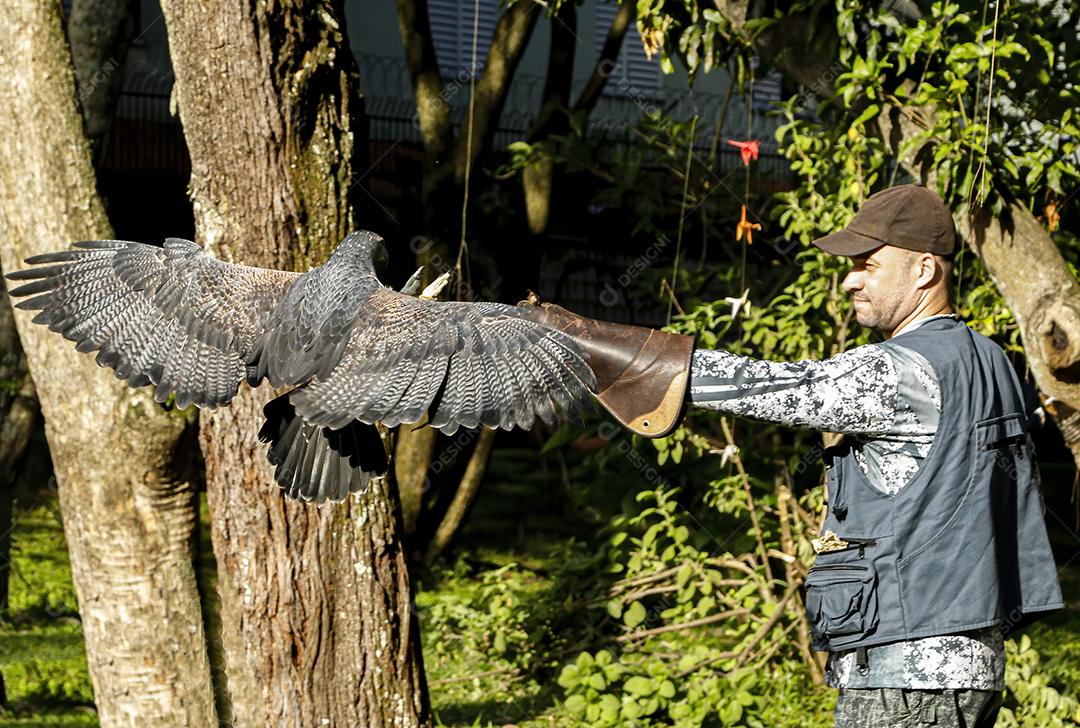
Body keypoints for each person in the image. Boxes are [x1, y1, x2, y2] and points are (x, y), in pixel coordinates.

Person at [528, 184, 1063, 727]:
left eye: (868, 266)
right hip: (971, 669)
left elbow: (765, 386)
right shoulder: (992, 360)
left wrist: (592, 346)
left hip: (905, 678)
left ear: (924, 270)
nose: (850, 279)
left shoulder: (897, 370)